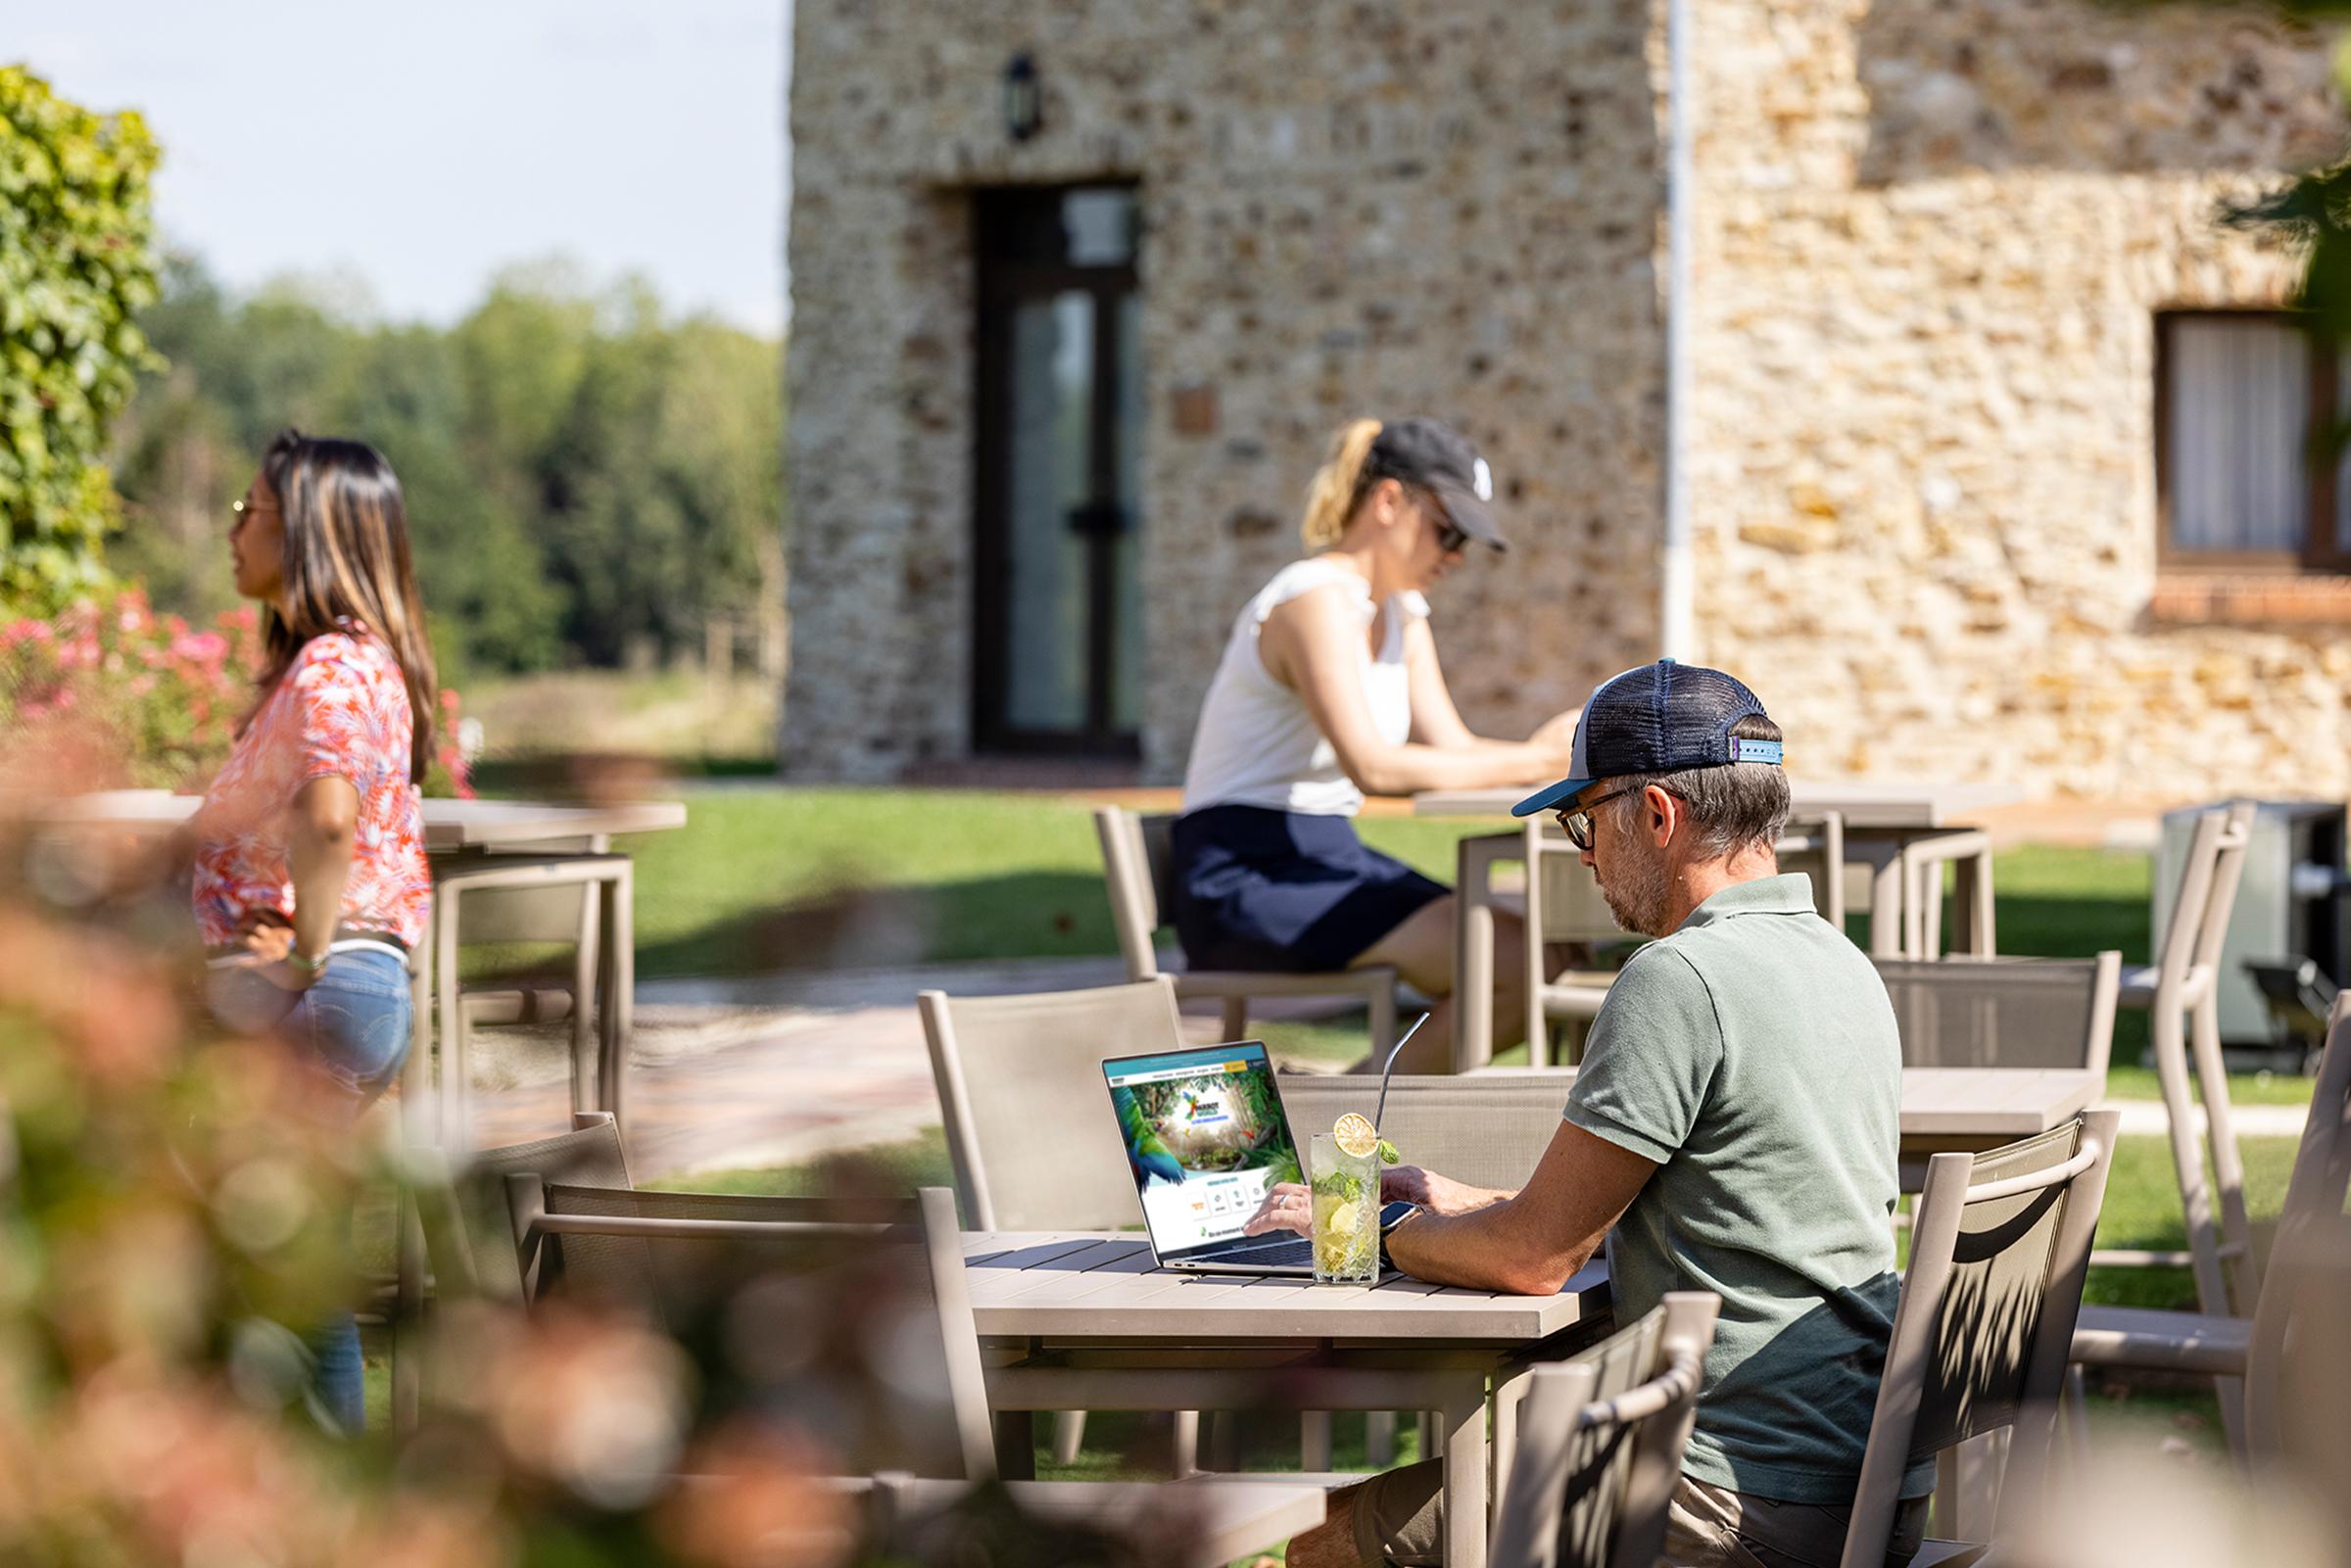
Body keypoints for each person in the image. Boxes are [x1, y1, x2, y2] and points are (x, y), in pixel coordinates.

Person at [1249, 660, 1933, 1568]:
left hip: (1723, 1494)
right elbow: (1741, 1209)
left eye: (1585, 819)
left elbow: (1535, 1260)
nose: (1583, 852)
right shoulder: (1838, 961)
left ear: (1657, 813)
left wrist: (1367, 1228)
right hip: (1862, 1488)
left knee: (1319, 1545)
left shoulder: (1679, 978)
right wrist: (1468, 1205)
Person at [1172, 417, 1578, 1072]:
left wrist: (1571, 757)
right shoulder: (1312, 601)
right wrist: (1536, 759)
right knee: (1515, 961)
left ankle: (1343, 1120)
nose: (1456, 555)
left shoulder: (1400, 611)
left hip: (1324, 856)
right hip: (1247, 872)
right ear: (1389, 501)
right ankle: (1343, 1128)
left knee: (1552, 950)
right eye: (1449, 530)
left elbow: (1456, 747)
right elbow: (1374, 767)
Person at [191, 429, 438, 1434]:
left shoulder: (332, 667)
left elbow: (331, 817)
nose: (233, 527)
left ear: (308, 532)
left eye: (249, 509)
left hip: (314, 993)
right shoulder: (353, 661)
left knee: (277, 1272)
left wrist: (301, 952)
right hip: (350, 992)